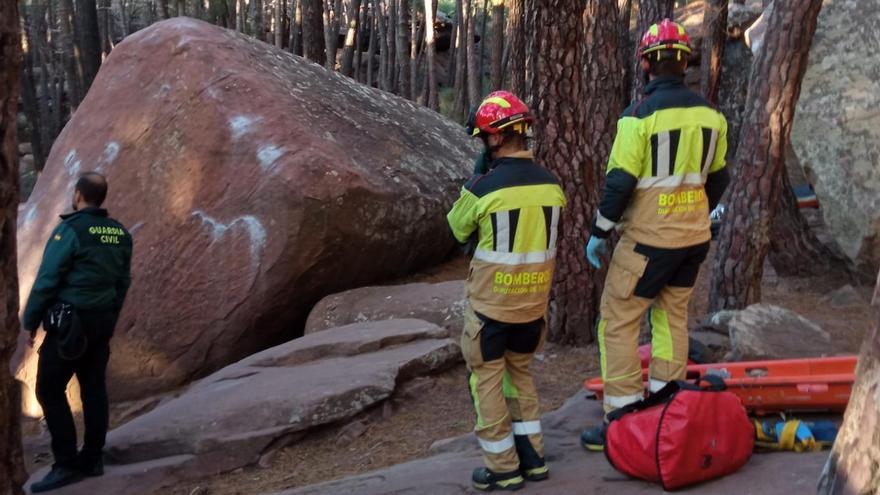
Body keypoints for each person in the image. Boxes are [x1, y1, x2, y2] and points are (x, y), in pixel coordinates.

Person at [580, 19, 731, 451]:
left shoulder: (637, 117)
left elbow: (619, 183)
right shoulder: (711, 116)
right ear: (685, 63)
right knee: (670, 319)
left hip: (647, 242)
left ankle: (623, 421)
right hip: (692, 240)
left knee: (618, 322)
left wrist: (599, 232)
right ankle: (667, 408)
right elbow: (718, 179)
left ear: (645, 64)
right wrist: (692, 206)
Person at [447, 91, 566, 491]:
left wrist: (477, 178)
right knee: (522, 377)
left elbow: (457, 230)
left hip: (490, 311)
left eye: (483, 138)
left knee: (488, 383)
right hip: (532, 309)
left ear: (495, 139)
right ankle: (532, 459)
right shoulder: (552, 186)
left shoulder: (482, 189)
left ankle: (502, 467)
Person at [22, 172, 133, 492]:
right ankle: (93, 458)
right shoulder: (120, 233)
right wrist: (110, 317)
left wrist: (31, 320)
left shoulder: (70, 231)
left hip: (70, 325)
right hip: (101, 322)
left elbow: (47, 279)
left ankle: (67, 463)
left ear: (78, 195)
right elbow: (123, 282)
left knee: (49, 389)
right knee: (94, 388)